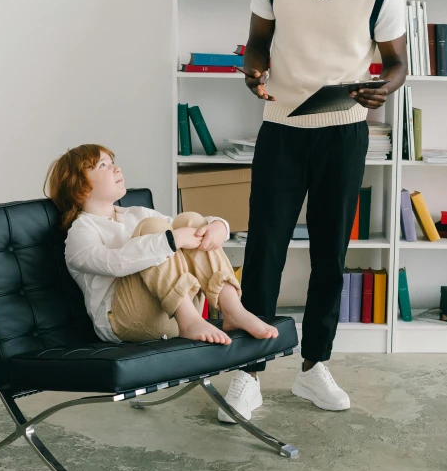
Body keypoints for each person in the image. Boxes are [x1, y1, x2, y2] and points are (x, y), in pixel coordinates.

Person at [219, 0, 408, 422]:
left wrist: (385, 87)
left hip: (343, 131)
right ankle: (248, 373)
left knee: (331, 254)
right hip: (280, 126)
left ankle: (313, 367)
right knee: (264, 252)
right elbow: (258, 41)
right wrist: (251, 71)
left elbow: (397, 63)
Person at [44, 143, 279, 348]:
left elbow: (188, 228)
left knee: (190, 220)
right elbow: (114, 263)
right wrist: (172, 240)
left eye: (113, 162)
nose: (117, 168)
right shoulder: (81, 231)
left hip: (173, 314)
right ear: (78, 187)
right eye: (103, 165)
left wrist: (219, 226)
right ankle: (188, 319)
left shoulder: (136, 213)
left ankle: (233, 309)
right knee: (156, 230)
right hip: (126, 321)